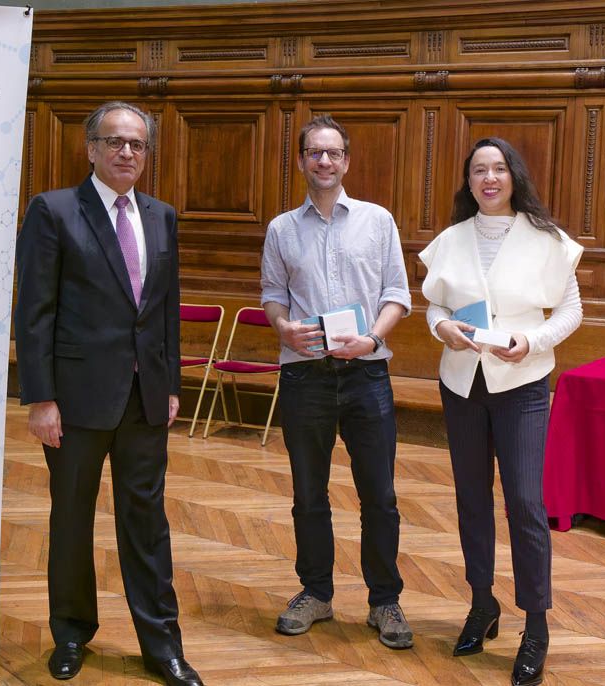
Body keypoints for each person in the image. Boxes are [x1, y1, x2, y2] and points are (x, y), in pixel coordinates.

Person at [14, 101, 203, 686]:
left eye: (137, 145)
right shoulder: (54, 211)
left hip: (145, 399)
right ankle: (70, 632)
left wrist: (170, 385)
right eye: (115, 142)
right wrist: (40, 397)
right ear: (91, 148)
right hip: (73, 401)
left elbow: (164, 312)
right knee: (71, 517)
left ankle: (162, 646)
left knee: (146, 522)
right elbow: (35, 311)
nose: (127, 152)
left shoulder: (162, 215)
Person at [419, 138, 583, 686]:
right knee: (471, 499)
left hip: (523, 383)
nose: (489, 178)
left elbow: (571, 308)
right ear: (468, 182)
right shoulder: (453, 239)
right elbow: (435, 303)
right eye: (478, 171)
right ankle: (482, 603)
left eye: (498, 169)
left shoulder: (547, 239)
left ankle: (535, 626)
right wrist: (442, 327)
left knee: (526, 504)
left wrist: (530, 341)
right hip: (461, 382)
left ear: (514, 175)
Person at [260, 114, 414, 649]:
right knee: (308, 494)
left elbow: (399, 294)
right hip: (305, 377)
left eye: (332, 153)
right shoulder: (281, 228)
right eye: (313, 152)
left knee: (380, 495)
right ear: (301, 160)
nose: (323, 161)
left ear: (346, 161)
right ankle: (316, 592)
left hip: (367, 373)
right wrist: (282, 326)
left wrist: (372, 338)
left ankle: (384, 601)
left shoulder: (378, 221)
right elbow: (272, 293)